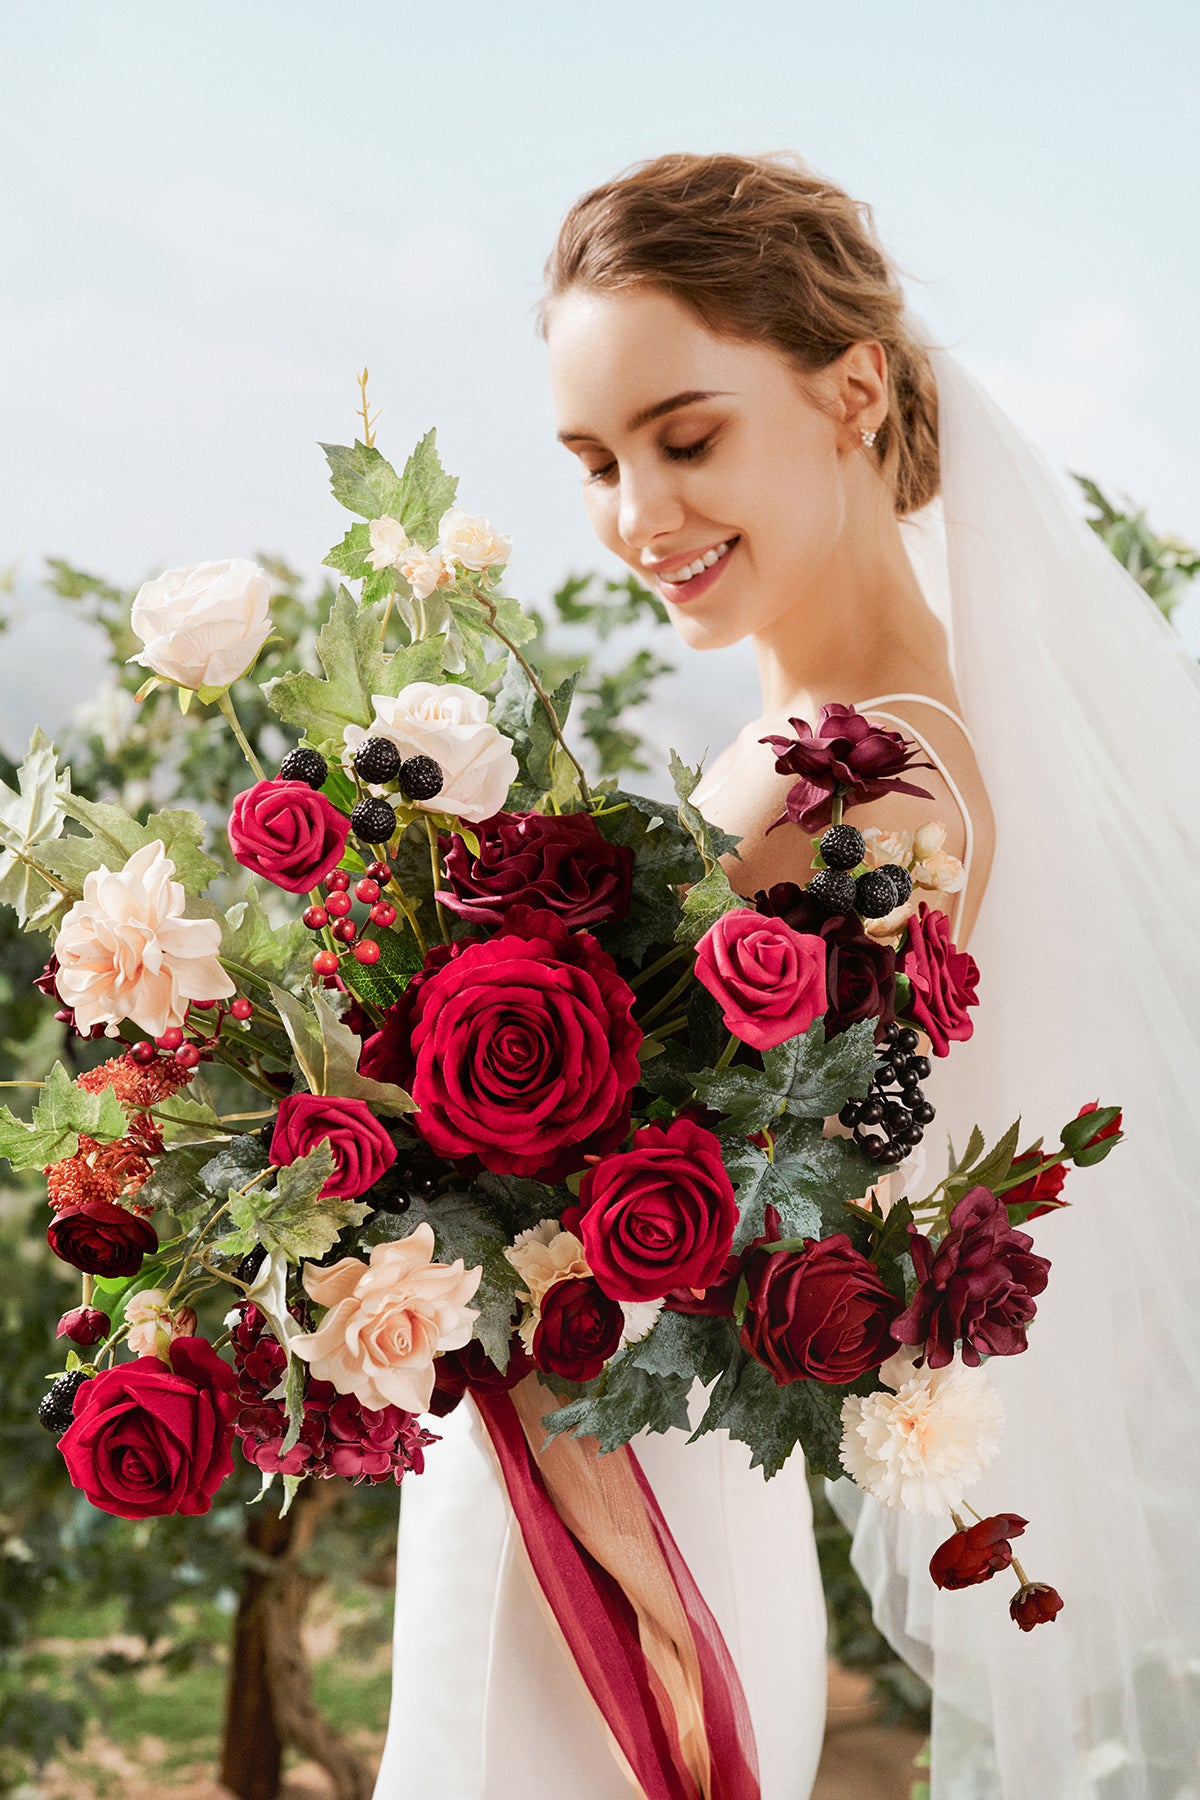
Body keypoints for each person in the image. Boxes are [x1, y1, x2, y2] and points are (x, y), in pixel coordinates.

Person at [374, 153, 1200, 1800]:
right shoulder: (907, 730)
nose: (636, 515)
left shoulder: (833, 773)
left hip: (612, 1520)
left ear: (855, 390)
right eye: (597, 460)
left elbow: (584, 1159)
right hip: (643, 1485)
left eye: (688, 438)